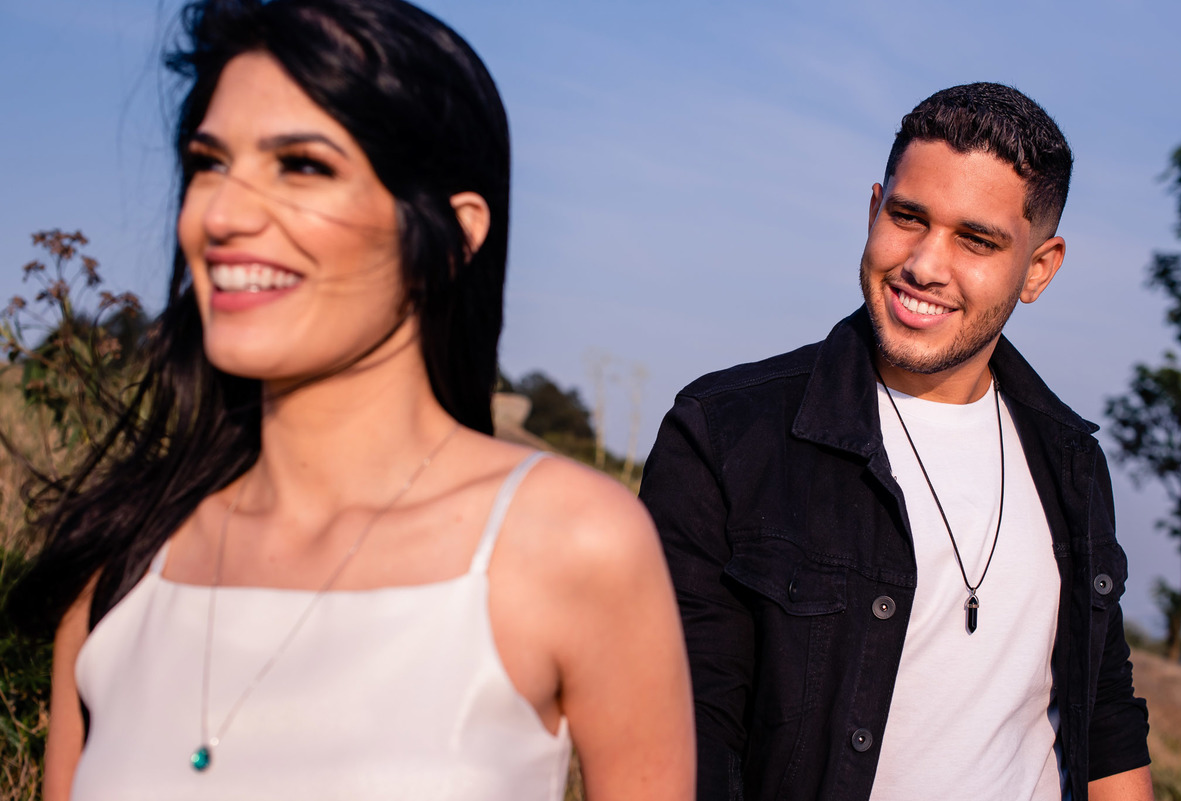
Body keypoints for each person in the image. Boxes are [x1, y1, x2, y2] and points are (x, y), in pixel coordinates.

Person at [9, 1, 694, 798]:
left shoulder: (571, 543)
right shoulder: (122, 563)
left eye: (302, 165)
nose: (222, 214)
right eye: (210, 163)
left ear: (452, 234)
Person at [639, 83, 1151, 801]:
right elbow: (680, 734)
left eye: (976, 240)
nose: (924, 265)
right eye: (908, 217)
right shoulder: (724, 435)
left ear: (1039, 268)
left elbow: (1104, 718)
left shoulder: (1071, 461)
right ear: (874, 208)